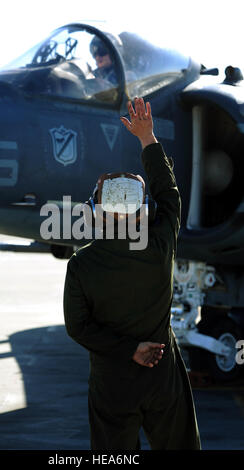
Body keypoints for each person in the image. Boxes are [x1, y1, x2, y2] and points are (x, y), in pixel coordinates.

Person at [63, 97, 201, 450]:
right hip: (163, 378)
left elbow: (79, 327)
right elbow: (169, 197)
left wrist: (130, 350)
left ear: (97, 212)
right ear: (141, 213)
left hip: (113, 385)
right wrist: (147, 138)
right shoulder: (159, 247)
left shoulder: (82, 265)